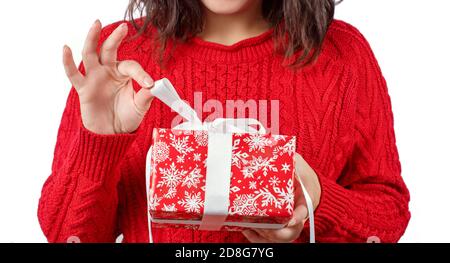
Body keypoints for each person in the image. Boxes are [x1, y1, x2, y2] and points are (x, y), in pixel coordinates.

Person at [38, 0, 410, 243]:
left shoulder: (343, 56)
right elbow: (66, 235)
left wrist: (318, 201)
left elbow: (388, 217)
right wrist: (100, 143)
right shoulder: (121, 60)